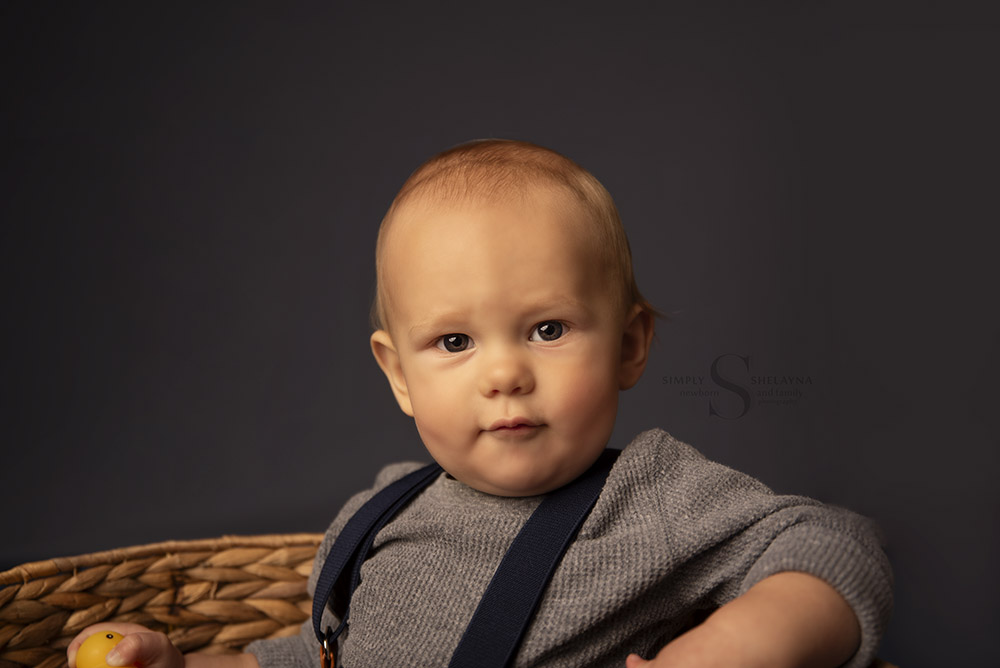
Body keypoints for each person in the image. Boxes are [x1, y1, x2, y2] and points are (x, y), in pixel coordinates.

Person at [68, 139, 892, 668]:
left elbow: (839, 546)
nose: (504, 374)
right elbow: (309, 659)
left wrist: (725, 651)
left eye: (546, 328)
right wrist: (175, 662)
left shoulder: (655, 498)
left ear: (631, 346)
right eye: (455, 343)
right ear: (398, 375)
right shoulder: (379, 516)